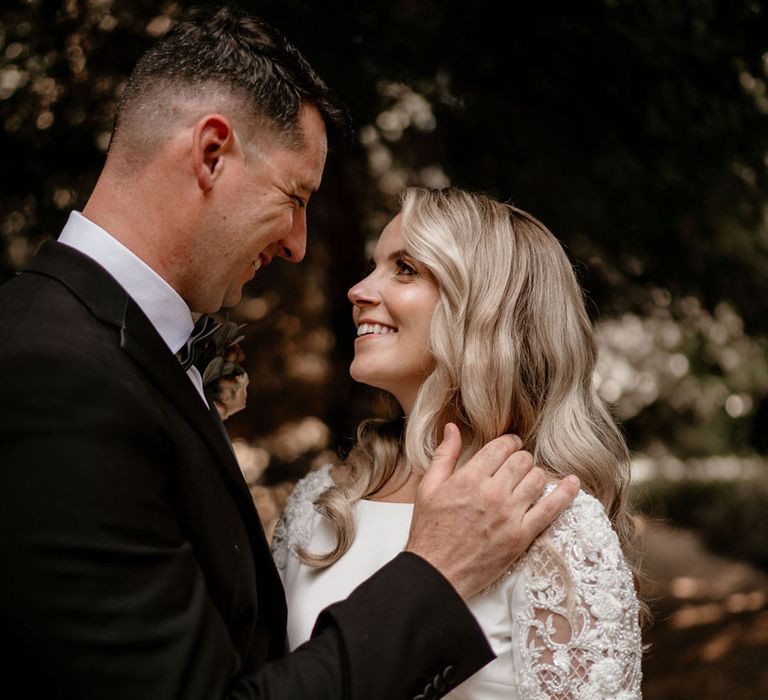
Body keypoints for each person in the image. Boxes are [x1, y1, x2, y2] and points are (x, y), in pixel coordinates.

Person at [0, 7, 580, 699]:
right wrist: (436, 573)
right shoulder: (58, 371)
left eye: (407, 269)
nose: (300, 245)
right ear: (211, 154)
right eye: (295, 196)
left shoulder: (106, 350)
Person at [274, 187, 644, 699]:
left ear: (484, 307)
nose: (358, 290)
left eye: (404, 268)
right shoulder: (319, 503)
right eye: (374, 266)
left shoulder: (550, 520)